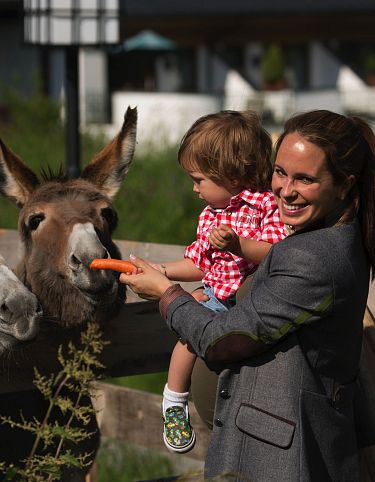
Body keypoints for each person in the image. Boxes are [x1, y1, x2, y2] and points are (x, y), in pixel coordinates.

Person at [120, 110, 375, 482]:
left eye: (305, 179)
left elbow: (221, 341)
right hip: (260, 445)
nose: (285, 190)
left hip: (276, 459)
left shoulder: (313, 257)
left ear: (343, 185)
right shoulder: (317, 236)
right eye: (281, 171)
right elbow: (206, 262)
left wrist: (166, 294)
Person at [150, 110, 287, 453]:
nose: (194, 189)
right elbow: (200, 263)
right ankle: (174, 401)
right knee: (188, 339)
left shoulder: (265, 205)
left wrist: (239, 245)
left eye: (198, 179)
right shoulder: (211, 213)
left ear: (231, 173)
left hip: (253, 304)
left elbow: (277, 252)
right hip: (216, 297)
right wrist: (161, 271)